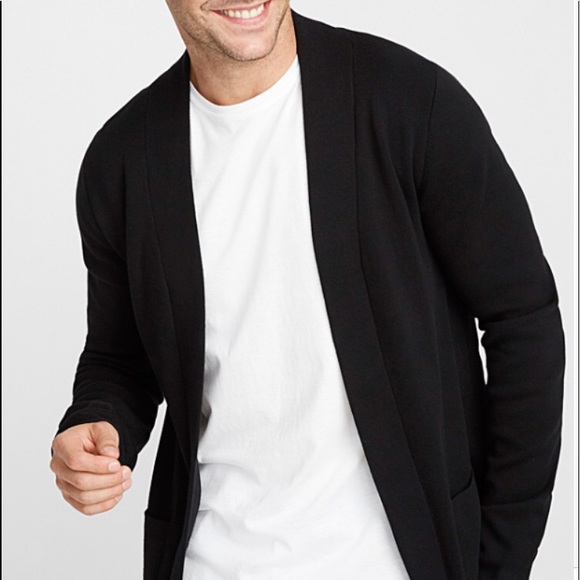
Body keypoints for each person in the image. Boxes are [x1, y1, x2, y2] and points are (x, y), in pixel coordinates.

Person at [49, 1, 566, 579]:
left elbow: (523, 318)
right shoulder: (122, 161)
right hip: (212, 562)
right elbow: (121, 357)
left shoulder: (409, 101)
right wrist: (97, 421)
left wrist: (500, 560)